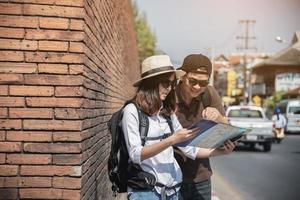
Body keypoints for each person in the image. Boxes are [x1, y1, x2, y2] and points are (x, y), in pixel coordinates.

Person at [122, 55, 235, 200]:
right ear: (151, 83)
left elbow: (188, 147)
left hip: (174, 186)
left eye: (171, 83)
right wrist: (172, 140)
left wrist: (222, 151)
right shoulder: (133, 111)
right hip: (147, 188)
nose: (169, 88)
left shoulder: (167, 110)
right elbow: (135, 154)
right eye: (165, 83)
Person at [175, 54, 235, 200]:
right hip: (172, 177)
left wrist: (218, 117)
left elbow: (226, 128)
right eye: (192, 81)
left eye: (202, 83)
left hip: (201, 177)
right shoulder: (170, 97)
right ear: (183, 77)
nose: (197, 87)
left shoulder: (209, 94)